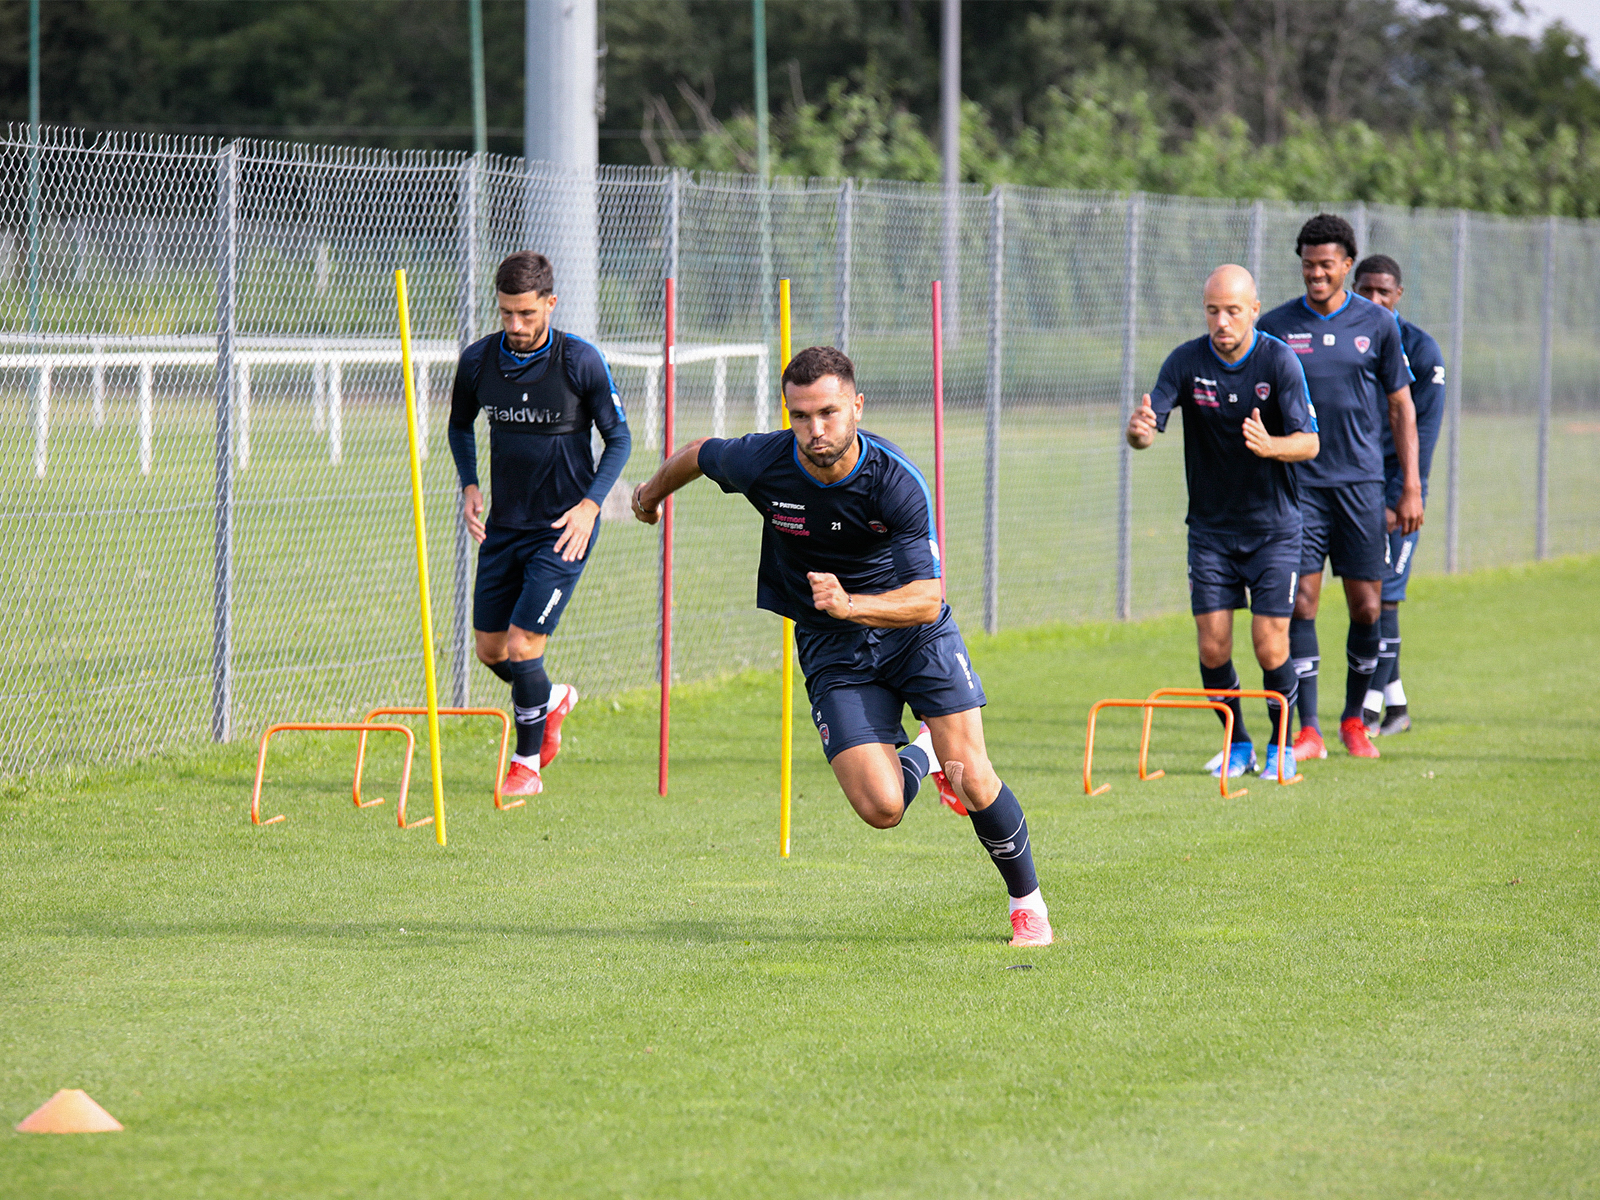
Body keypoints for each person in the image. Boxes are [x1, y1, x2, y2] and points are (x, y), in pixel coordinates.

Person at [629, 345, 1053, 948]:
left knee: (974, 777)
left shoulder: (895, 480)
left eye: (828, 412)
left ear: (856, 405)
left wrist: (853, 603)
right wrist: (649, 495)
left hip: (914, 634)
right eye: (799, 415)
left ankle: (1027, 905)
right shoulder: (764, 462)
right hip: (832, 645)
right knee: (882, 808)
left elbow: (927, 600)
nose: (815, 430)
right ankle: (922, 755)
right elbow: (700, 454)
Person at [447, 251, 632, 796]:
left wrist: (591, 505)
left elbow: (619, 439)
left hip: (563, 528)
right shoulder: (479, 361)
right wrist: (469, 483)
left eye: (527, 313)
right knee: (491, 650)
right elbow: (460, 426)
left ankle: (526, 767)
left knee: (525, 645)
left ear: (550, 303)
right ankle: (547, 699)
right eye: (506, 313)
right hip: (504, 527)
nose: (516, 325)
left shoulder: (580, 361)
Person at [1126, 265, 1320, 781]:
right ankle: (1238, 745)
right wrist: (1140, 431)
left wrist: (1272, 445)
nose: (1222, 321)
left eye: (1233, 310)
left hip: (1274, 529)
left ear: (1254, 310)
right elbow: (1148, 429)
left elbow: (1310, 441)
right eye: (1213, 310)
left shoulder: (1278, 360)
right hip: (1210, 532)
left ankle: (1282, 746)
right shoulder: (1186, 361)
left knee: (1270, 643)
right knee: (1213, 645)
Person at [1257, 214, 1422, 761]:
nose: (1316, 274)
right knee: (1301, 602)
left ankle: (1354, 719)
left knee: (1368, 608)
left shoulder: (1377, 324)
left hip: (1360, 486)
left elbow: (1401, 405)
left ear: (1347, 265)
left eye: (1326, 265)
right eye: (1308, 265)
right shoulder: (1279, 326)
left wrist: (1410, 486)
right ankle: (1309, 731)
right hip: (1298, 489)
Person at [1353, 254, 1446, 736]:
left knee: (1383, 598)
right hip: (1353, 486)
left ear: (1398, 296)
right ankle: (1396, 707)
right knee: (1370, 597)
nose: (1373, 301)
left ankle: (1368, 708)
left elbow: (1422, 434)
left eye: (1382, 293)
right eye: (1364, 291)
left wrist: (1404, 495)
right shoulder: (1350, 341)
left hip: (1397, 490)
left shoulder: (1422, 352)